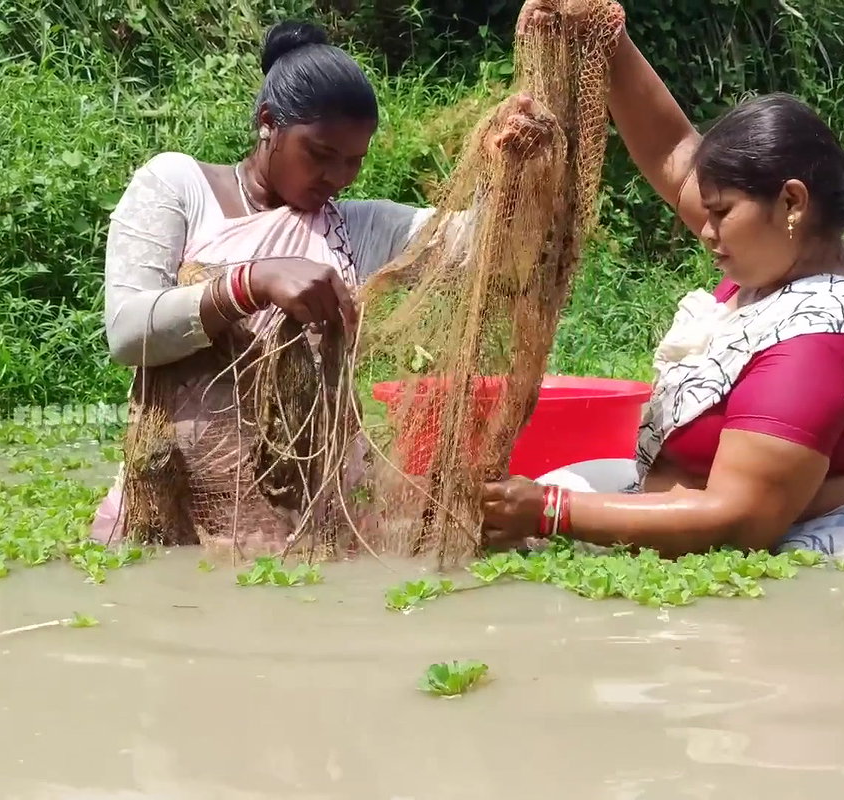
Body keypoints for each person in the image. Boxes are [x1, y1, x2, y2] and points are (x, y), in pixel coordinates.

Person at [479, 1, 844, 568]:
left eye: (721, 212)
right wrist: (605, 41)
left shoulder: (821, 341)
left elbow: (740, 520)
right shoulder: (790, 249)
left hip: (790, 538)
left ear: (791, 200)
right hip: (680, 499)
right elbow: (673, 152)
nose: (704, 230)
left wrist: (550, 511)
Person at [93, 20, 543, 551]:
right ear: (268, 124)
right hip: (179, 507)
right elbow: (127, 333)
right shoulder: (180, 186)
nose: (339, 176)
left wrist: (514, 170)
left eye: (354, 161)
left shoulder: (356, 229)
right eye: (321, 154)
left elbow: (494, 246)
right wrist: (251, 282)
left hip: (314, 509)